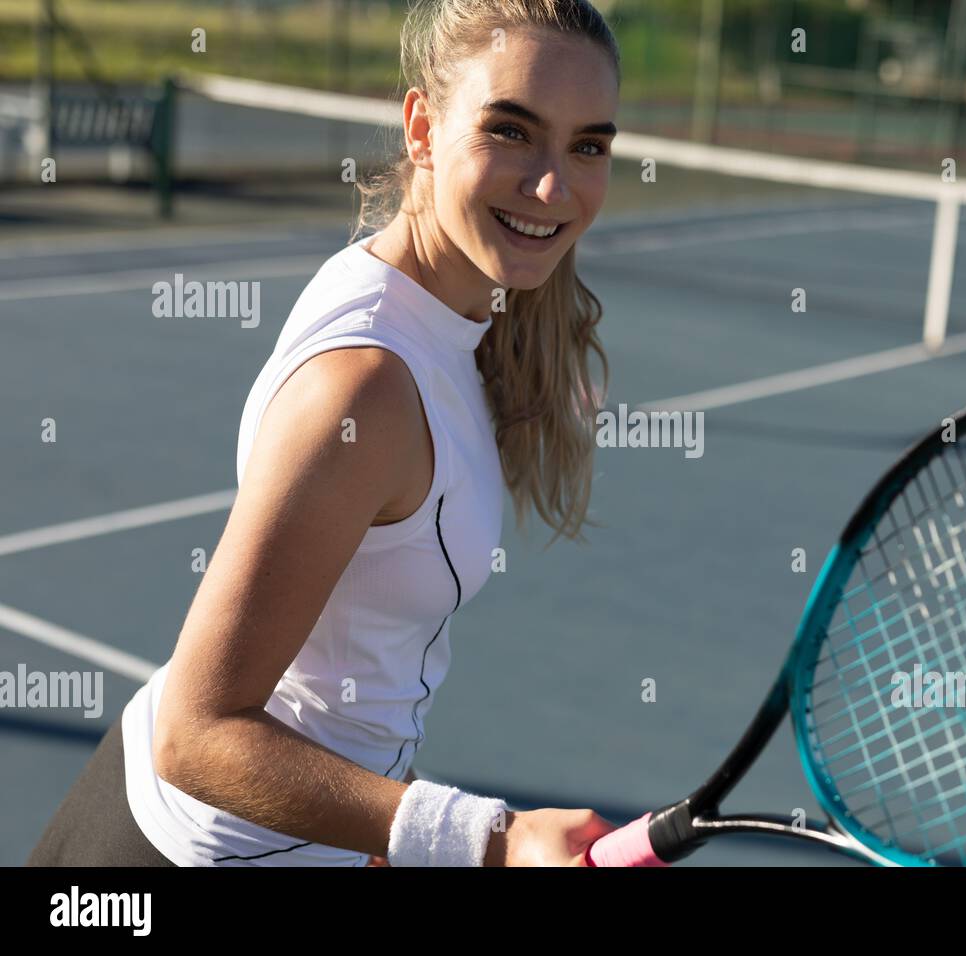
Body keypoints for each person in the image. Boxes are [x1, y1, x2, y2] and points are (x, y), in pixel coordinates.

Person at [28, 0, 620, 867]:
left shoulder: (449, 310)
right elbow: (195, 738)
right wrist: (490, 840)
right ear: (422, 127)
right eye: (511, 131)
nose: (551, 186)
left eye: (588, 146)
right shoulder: (367, 387)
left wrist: (382, 813)